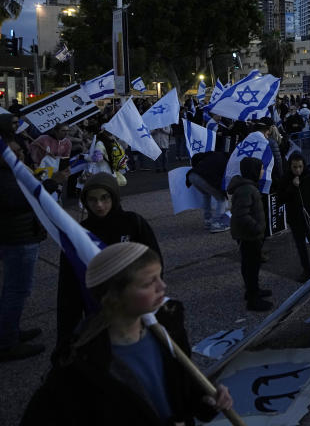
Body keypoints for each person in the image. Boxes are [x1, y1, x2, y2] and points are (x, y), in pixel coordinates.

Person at [23, 242, 233, 425]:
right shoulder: (81, 363)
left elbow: (181, 384)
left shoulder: (168, 324)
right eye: (148, 282)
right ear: (114, 296)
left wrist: (206, 399)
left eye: (159, 276)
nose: (163, 286)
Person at [56, 172, 162, 356]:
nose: (99, 205)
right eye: (92, 200)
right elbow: (68, 292)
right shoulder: (79, 235)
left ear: (114, 196)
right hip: (99, 316)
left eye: (105, 198)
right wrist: (65, 339)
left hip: (137, 310)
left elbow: (154, 262)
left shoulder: (133, 223)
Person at [0, 120, 47, 362]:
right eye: (14, 152)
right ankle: (7, 343)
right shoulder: (7, 178)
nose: (20, 154)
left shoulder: (11, 171)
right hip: (18, 239)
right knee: (17, 290)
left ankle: (10, 331)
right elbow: (24, 199)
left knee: (12, 289)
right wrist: (51, 184)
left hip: (20, 235)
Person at [228, 157, 272, 312]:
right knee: (251, 267)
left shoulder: (248, 187)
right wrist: (257, 228)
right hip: (248, 235)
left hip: (249, 234)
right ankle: (253, 299)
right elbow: (241, 214)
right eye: (260, 169)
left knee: (252, 265)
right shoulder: (247, 189)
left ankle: (253, 291)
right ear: (253, 171)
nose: (262, 171)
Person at [277, 152, 310, 282]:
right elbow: (281, 198)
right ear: (290, 166)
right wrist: (292, 187)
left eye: (300, 166)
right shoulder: (286, 178)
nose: (298, 170)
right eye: (295, 167)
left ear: (304, 165)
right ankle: (306, 270)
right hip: (295, 219)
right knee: (300, 246)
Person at [185, 150, 231, 233]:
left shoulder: (214, 154)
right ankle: (217, 223)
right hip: (205, 178)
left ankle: (208, 220)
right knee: (221, 199)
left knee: (206, 194)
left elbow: (196, 157)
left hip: (192, 175)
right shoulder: (228, 161)